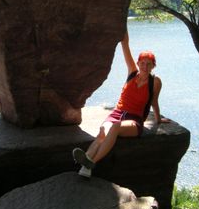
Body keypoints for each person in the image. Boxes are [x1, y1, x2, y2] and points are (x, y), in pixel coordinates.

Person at [73, 29, 170, 178]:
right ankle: (86, 167)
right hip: (117, 113)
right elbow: (125, 44)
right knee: (102, 133)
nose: (145, 66)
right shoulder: (132, 72)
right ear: (138, 63)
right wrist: (122, 26)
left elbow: (154, 101)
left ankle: (91, 161)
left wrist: (158, 119)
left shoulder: (155, 82)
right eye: (142, 63)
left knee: (115, 127)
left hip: (134, 120)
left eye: (148, 64)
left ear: (153, 66)